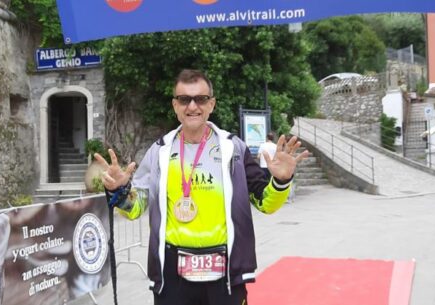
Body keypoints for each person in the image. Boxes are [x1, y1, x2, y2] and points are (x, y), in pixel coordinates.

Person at [94, 69, 308, 305]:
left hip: (225, 271)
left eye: (201, 99)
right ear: (175, 105)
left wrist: (280, 181)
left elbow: (265, 204)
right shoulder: (160, 151)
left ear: (212, 104)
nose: (192, 106)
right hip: (172, 272)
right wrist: (120, 190)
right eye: (184, 99)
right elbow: (135, 208)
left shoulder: (233, 150)